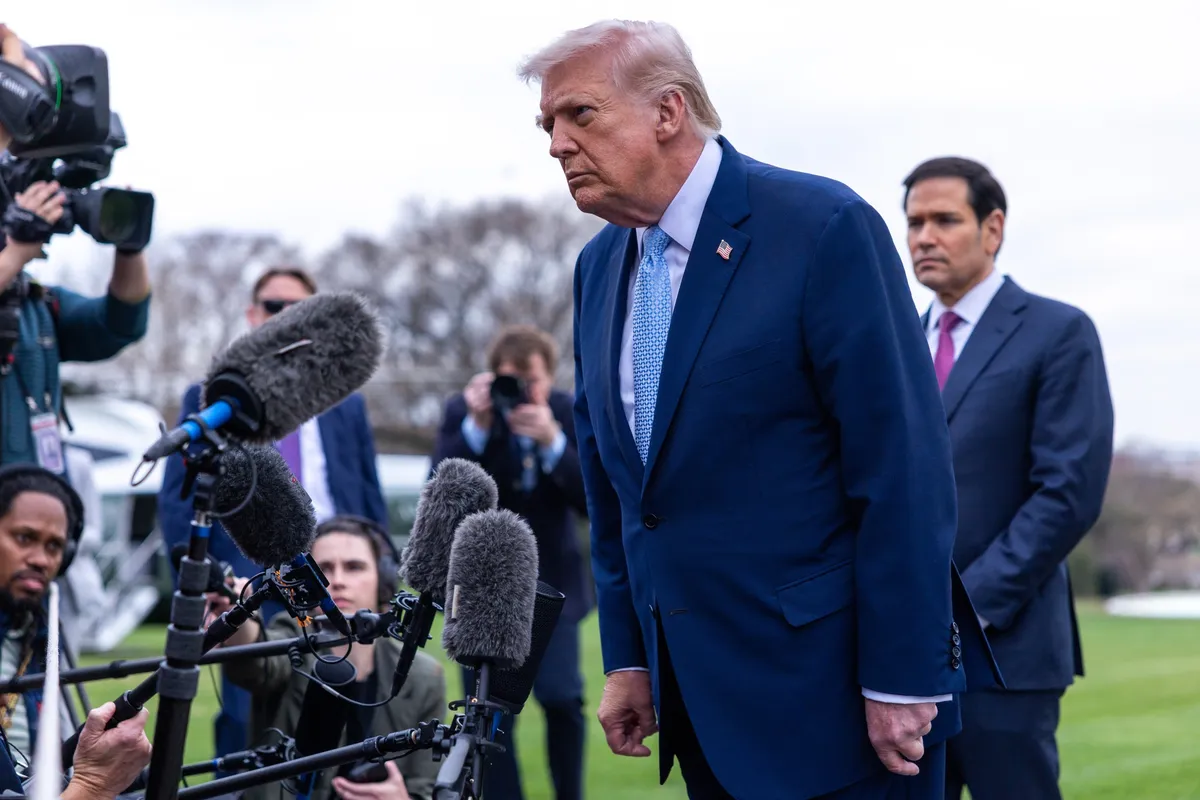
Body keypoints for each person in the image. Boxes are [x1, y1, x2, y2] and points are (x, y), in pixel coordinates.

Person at [518, 19, 1001, 799]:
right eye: (547, 125)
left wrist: (902, 676)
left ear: (668, 112)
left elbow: (903, 470)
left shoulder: (821, 228)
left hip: (846, 710)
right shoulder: (599, 265)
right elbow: (620, 494)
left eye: (580, 115)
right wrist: (632, 658)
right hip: (701, 712)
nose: (556, 144)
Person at [902, 156, 1114, 799]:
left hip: (1006, 654)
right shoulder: (895, 343)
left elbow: (1068, 494)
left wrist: (964, 611)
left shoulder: (1058, 332)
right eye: (913, 223)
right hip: (900, 660)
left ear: (993, 228)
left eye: (945, 220)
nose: (923, 237)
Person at [158, 265, 389, 765]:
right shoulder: (213, 400)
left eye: (297, 309)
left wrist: (376, 570)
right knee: (246, 719)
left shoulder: (346, 406)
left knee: (350, 713)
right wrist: (206, 582)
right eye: (272, 307)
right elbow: (179, 503)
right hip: (249, 585)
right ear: (251, 314)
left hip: (336, 582)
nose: (283, 317)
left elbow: (368, 496)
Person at [431, 323, 591, 800]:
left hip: (552, 584)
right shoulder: (466, 413)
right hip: (481, 589)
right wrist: (476, 430)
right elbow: (441, 495)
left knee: (563, 700)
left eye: (530, 382)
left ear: (549, 379)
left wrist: (552, 441)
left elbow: (593, 499)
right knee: (487, 713)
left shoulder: (565, 411)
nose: (518, 394)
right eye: (509, 382)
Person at [208, 514, 446, 800]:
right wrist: (236, 610)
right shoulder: (290, 635)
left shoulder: (423, 677)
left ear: (382, 581)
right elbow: (255, 662)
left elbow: (425, 786)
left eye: (354, 567)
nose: (338, 581)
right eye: (324, 569)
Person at [0, 26, 152, 474]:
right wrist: (17, 248)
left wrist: (129, 245)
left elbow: (120, 323)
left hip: (34, 524)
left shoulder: (35, 307)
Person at [0, 461, 152, 799]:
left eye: (54, 547)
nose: (41, 559)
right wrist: (94, 785)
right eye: (24, 538)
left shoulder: (38, 632)